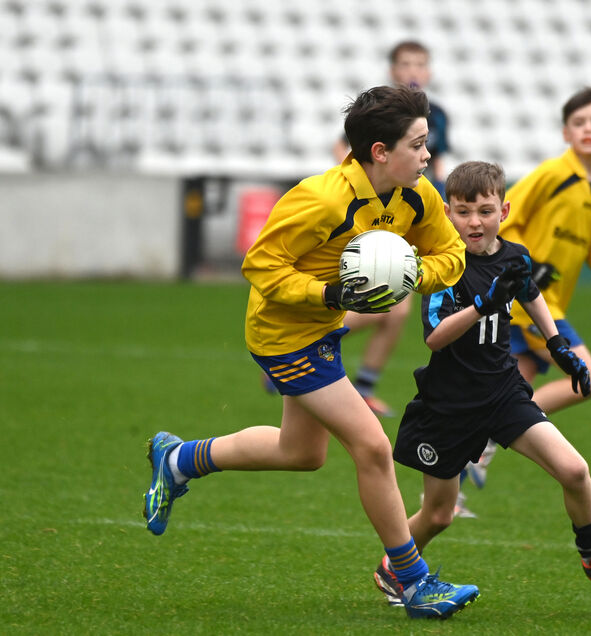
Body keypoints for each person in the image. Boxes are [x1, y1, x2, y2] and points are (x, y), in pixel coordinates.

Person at [143, 85, 479, 620]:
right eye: (417, 144)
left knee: (302, 453)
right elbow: (260, 265)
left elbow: (452, 253)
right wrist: (327, 294)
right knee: (371, 446)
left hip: (323, 330)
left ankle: (179, 459)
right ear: (379, 152)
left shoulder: (417, 197)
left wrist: (413, 274)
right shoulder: (321, 199)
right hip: (282, 333)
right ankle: (414, 583)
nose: (427, 155)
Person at [372, 161, 591, 607]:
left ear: (505, 209)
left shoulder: (515, 255)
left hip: (502, 392)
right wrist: (483, 305)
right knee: (440, 514)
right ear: (447, 212)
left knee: (575, 470)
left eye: (484, 210)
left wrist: (559, 348)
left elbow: (531, 294)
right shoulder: (444, 266)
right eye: (462, 212)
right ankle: (394, 568)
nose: (474, 222)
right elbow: (434, 336)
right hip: (449, 405)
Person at [463, 87, 591, 493]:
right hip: (530, 302)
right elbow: (505, 218)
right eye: (579, 122)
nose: (588, 129)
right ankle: (498, 430)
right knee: (589, 380)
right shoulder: (552, 174)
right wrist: (527, 262)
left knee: (508, 388)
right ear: (566, 132)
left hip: (552, 302)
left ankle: (455, 482)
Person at [327, 40, 452, 417]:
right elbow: (342, 149)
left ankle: (362, 383)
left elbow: (436, 161)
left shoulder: (439, 115)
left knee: (395, 307)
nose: (413, 70)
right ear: (393, 70)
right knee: (389, 304)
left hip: (408, 207)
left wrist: (441, 196)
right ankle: (315, 342)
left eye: (420, 64)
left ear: (429, 72)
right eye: (406, 64)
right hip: (375, 208)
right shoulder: (381, 114)